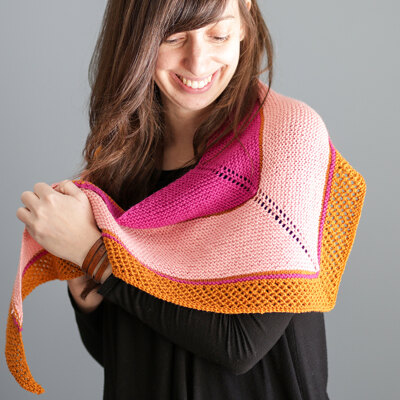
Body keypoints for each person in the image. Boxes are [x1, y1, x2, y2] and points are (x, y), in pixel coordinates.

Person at [17, 0, 331, 398]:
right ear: (138, 38)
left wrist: (94, 255)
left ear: (244, 21)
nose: (197, 62)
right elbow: (125, 352)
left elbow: (240, 345)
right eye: (174, 37)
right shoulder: (122, 155)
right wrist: (84, 286)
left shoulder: (288, 136)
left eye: (217, 35)